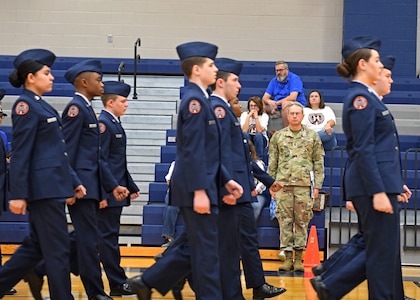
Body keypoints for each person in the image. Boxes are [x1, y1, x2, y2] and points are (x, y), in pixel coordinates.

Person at [127, 41, 243, 300]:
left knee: (200, 250)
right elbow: (191, 151)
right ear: (196, 70)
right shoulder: (195, 101)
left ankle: (148, 282)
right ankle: (150, 282)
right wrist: (200, 190)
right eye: (211, 65)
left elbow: (209, 151)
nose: (215, 69)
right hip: (195, 188)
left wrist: (226, 181)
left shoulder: (201, 99)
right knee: (207, 255)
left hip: (205, 184)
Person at [310, 50, 414, 300]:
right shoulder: (361, 98)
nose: (380, 66)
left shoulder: (367, 97)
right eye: (377, 61)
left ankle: (330, 281)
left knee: (380, 250)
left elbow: (379, 150)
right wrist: (378, 190)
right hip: (372, 187)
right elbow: (363, 149)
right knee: (380, 252)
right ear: (363, 64)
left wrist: (395, 183)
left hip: (381, 183)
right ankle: (330, 284)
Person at [0, 49, 86, 299]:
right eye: (46, 73)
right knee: (58, 250)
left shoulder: (41, 105)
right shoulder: (25, 106)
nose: (51, 78)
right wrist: (18, 194)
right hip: (43, 189)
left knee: (34, 248)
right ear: (30, 77)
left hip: (53, 186)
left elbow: (57, 152)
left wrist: (74, 181)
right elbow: (21, 152)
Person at [211, 57, 286, 299]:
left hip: (241, 190)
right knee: (218, 245)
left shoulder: (233, 119)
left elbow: (247, 162)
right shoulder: (219, 113)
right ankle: (159, 276)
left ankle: (257, 286)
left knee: (247, 241)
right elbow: (218, 156)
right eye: (235, 80)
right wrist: (226, 186)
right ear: (221, 82)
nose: (240, 86)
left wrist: (268, 180)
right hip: (230, 190)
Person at [62, 59, 130, 300]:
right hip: (81, 189)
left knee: (88, 242)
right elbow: (66, 151)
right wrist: (70, 185)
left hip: (91, 188)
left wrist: (113, 186)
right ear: (83, 82)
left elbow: (96, 158)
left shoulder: (87, 108)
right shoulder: (76, 109)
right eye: (98, 80)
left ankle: (95, 291)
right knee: (89, 242)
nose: (102, 84)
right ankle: (96, 292)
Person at [268, 101, 325, 272]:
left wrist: (317, 187)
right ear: (287, 115)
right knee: (284, 221)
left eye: (297, 113)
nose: (294, 116)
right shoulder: (278, 137)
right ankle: (287, 256)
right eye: (291, 113)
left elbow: (318, 162)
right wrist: (271, 184)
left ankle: (299, 257)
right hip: (283, 185)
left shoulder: (312, 136)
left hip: (303, 186)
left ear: (302, 116)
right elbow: (273, 163)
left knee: (302, 221)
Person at [97, 81, 140, 297]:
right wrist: (109, 189)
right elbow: (100, 161)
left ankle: (39, 268)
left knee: (100, 237)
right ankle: (117, 282)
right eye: (123, 101)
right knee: (107, 238)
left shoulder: (114, 122)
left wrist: (130, 185)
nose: (126, 105)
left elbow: (117, 161)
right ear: (111, 102)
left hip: (116, 189)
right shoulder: (104, 124)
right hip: (109, 192)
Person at [262, 61, 306, 128]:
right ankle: (264, 131)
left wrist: (277, 103)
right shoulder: (274, 81)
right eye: (277, 71)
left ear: (286, 70)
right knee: (262, 104)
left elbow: (293, 97)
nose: (278, 73)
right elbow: (265, 97)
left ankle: (287, 133)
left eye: (280, 70)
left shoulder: (294, 79)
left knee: (286, 105)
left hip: (295, 104)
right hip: (278, 105)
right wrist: (270, 102)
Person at [160, 161, 180, 248]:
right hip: (177, 191)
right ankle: (168, 237)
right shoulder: (175, 163)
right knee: (171, 206)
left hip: (194, 193)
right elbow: (169, 180)